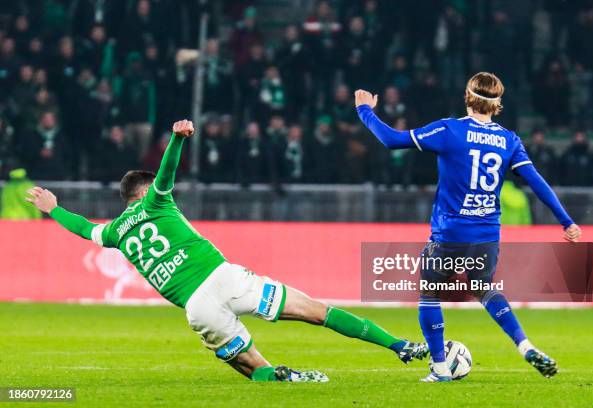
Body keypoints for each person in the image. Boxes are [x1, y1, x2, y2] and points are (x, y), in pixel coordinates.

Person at [26, 119, 427, 383]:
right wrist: (178, 140)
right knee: (316, 312)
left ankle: (286, 378)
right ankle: (401, 347)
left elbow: (83, 229)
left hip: (195, 307)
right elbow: (166, 175)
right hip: (224, 279)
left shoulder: (114, 231)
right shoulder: (155, 202)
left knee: (249, 366)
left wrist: (54, 209)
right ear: (143, 193)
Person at [355, 72, 581, 382]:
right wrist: (566, 221)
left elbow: (392, 140)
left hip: (450, 232)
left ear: (467, 96)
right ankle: (524, 344)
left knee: (429, 293)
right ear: (497, 104)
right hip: (487, 233)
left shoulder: (450, 129)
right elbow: (537, 183)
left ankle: (439, 369)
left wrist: (364, 110)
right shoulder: (509, 139)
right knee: (484, 288)